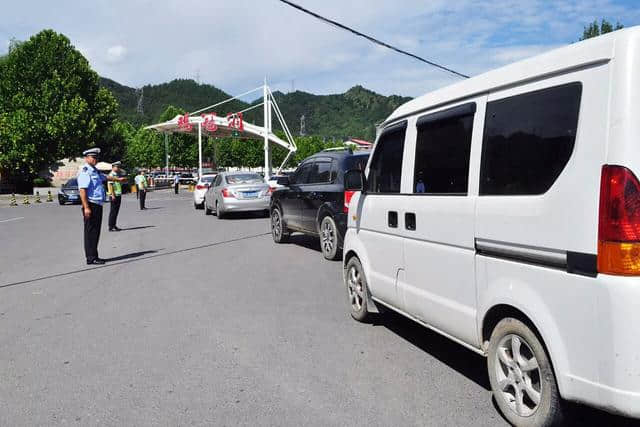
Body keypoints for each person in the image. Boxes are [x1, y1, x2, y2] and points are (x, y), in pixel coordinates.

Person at [77, 148, 127, 265]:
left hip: (97, 204)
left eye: (97, 158)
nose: (95, 160)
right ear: (87, 158)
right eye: (93, 157)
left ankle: (94, 255)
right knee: (91, 232)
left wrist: (118, 179)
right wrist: (86, 207)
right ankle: (91, 258)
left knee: (96, 232)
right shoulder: (85, 171)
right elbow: (82, 191)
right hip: (91, 204)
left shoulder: (94, 171)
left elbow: (105, 177)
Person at [107, 161, 124, 231]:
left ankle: (114, 225)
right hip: (114, 195)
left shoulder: (116, 174)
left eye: (119, 167)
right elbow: (110, 185)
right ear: (113, 167)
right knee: (113, 211)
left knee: (116, 211)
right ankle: (111, 226)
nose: (118, 168)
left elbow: (117, 184)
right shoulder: (111, 175)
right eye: (117, 167)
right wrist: (113, 195)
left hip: (118, 194)